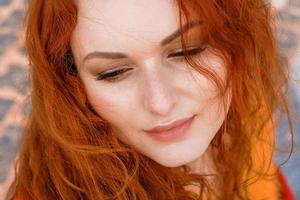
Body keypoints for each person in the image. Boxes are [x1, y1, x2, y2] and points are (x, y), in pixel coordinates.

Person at [6, 0, 295, 199]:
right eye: (114, 73)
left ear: (237, 39)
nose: (161, 103)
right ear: (71, 84)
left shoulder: (247, 104)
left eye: (187, 51)